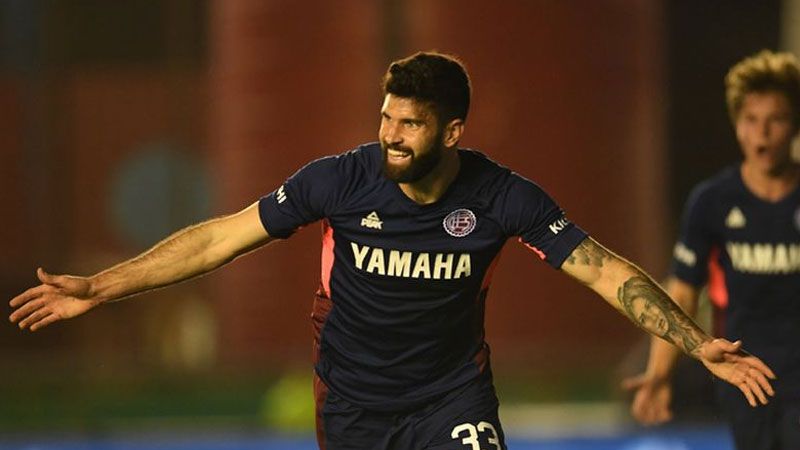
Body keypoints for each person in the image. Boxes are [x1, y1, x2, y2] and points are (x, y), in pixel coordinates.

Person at [10, 51, 776, 450]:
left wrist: (694, 343)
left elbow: (605, 271)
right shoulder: (340, 181)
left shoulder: (502, 196)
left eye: (410, 124)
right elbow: (219, 237)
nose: (390, 136)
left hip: (452, 399)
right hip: (353, 406)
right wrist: (100, 287)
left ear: (452, 132)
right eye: (385, 118)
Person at [623, 49, 800, 449]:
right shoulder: (713, 201)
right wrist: (660, 373)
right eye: (751, 120)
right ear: (737, 125)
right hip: (745, 376)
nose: (762, 133)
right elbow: (683, 290)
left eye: (776, 120)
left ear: (794, 125)